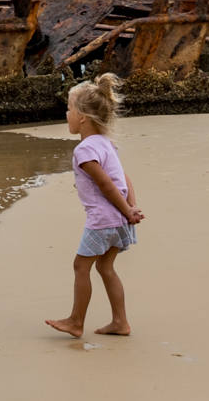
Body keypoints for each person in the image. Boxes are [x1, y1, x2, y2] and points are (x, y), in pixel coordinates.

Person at [45, 74, 143, 338]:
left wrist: (126, 209)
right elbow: (123, 178)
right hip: (119, 220)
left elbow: (107, 186)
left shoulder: (85, 150)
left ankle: (76, 322)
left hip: (102, 220)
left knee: (81, 267)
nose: (66, 114)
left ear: (82, 117)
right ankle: (120, 323)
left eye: (69, 109)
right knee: (105, 267)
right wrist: (131, 208)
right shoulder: (106, 144)